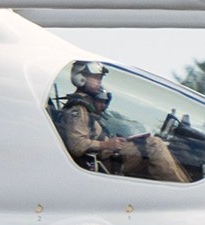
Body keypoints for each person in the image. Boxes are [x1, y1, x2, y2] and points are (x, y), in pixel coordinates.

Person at [57, 62, 187, 183]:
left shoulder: (88, 105)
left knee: (160, 146)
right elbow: (77, 146)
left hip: (110, 156)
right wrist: (106, 144)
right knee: (154, 145)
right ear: (80, 77)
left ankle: (184, 185)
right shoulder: (77, 108)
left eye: (100, 79)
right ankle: (184, 192)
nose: (99, 83)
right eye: (95, 78)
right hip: (105, 160)